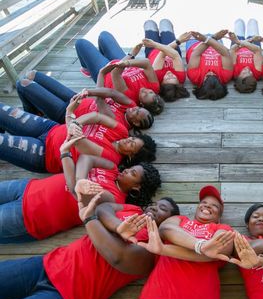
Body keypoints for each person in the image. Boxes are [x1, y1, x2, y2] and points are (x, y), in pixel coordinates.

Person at [0, 192, 180, 299]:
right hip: (47, 264)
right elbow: (104, 208)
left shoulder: (154, 248)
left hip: (68, 296)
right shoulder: (132, 210)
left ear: (168, 221)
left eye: (162, 208)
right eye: (154, 204)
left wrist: (90, 220)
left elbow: (118, 257)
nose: (154, 207)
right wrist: (117, 227)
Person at [0, 149, 161, 243]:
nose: (126, 170)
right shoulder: (112, 168)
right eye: (131, 168)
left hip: (30, 215)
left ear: (136, 187)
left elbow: (77, 192)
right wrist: (81, 180)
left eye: (132, 173)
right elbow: (86, 158)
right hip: (27, 187)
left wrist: (78, 183)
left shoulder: (114, 199)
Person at [135, 185, 234, 299]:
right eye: (204, 202)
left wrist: (164, 249)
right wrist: (201, 246)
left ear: (219, 217)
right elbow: (166, 229)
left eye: (215, 206)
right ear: (197, 207)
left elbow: (220, 250)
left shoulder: (222, 228)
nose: (207, 206)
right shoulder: (180, 219)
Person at [0, 100, 156, 173]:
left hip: (45, 154)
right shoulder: (121, 131)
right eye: (133, 138)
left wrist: (69, 114)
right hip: (51, 128)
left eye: (131, 145)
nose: (129, 139)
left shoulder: (112, 158)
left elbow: (78, 142)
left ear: (130, 156)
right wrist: (77, 123)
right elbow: (97, 116)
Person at [15, 70, 154, 130]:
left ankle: (31, 116)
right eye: (139, 108)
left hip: (66, 112)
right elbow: (111, 92)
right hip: (76, 98)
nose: (134, 108)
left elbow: (100, 100)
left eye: (136, 112)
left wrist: (99, 78)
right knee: (32, 75)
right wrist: (98, 77)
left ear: (135, 122)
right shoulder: (131, 105)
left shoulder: (119, 124)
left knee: (22, 85)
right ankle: (36, 113)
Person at [75, 31, 165, 114]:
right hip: (123, 62)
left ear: (141, 104)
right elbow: (147, 63)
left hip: (105, 72)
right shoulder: (154, 87)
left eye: (145, 95)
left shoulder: (130, 97)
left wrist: (131, 55)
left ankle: (88, 68)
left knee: (80, 43)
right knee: (104, 35)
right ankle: (98, 57)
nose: (146, 91)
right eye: (150, 92)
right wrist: (129, 59)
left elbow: (115, 72)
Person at [142, 19, 191, 102]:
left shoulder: (157, 76)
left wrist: (179, 41)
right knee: (165, 22)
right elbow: (175, 55)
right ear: (178, 81)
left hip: (153, 50)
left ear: (162, 82)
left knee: (149, 24)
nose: (170, 74)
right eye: (173, 77)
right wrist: (177, 42)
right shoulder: (181, 77)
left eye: (167, 78)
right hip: (172, 48)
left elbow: (162, 54)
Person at [185, 30, 233, 100]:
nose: (211, 72)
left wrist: (210, 38)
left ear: (202, 85)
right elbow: (225, 53)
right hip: (217, 45)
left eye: (207, 76)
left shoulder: (195, 77)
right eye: (215, 76)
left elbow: (196, 53)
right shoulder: (225, 77)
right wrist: (212, 39)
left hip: (195, 44)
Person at [228, 18, 263, 93]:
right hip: (253, 44)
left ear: (238, 77)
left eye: (244, 72)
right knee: (252, 21)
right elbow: (257, 50)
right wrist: (251, 40)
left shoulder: (234, 72)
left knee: (239, 22)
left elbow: (232, 50)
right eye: (250, 73)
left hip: (237, 45)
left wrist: (238, 42)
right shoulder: (257, 73)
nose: (247, 69)